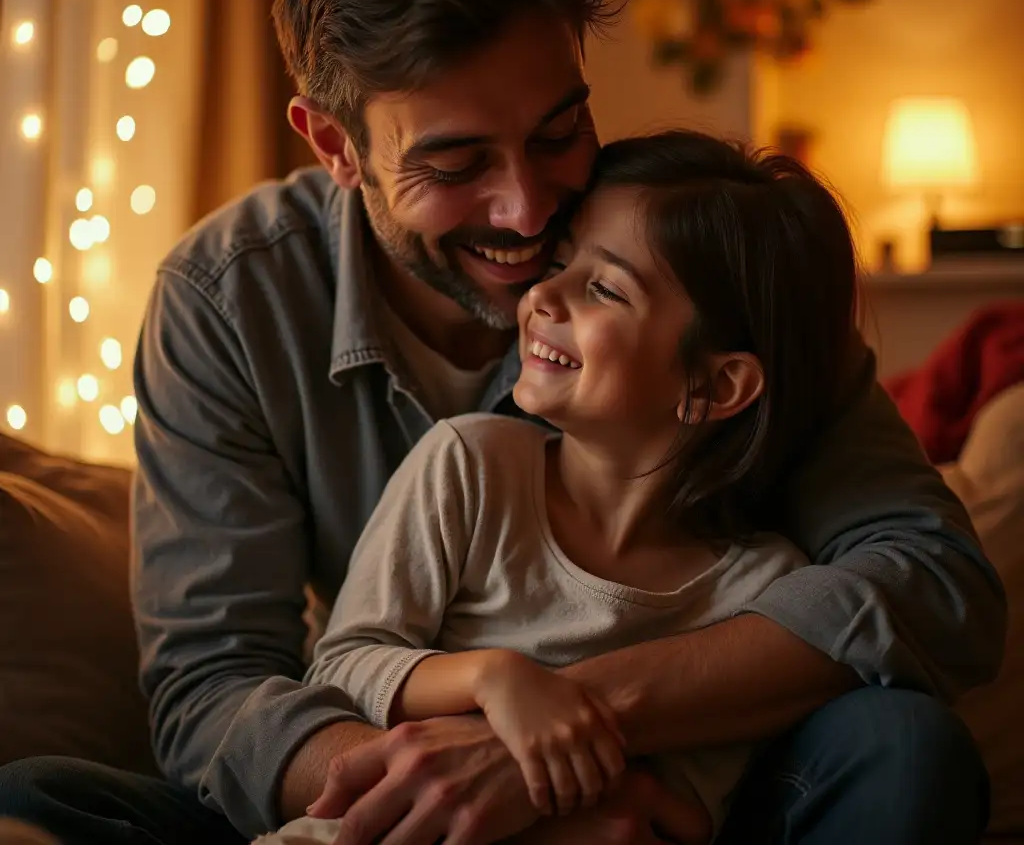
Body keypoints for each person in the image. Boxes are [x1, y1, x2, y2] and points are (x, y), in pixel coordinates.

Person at [0, 0, 1004, 845]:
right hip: (384, 783)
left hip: (656, 790)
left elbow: (934, 582)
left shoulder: (717, 274)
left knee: (900, 747)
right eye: (457, 162)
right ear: (334, 144)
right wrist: (447, 784)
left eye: (559, 131)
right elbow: (215, 691)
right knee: (40, 797)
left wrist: (568, 744)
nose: (529, 214)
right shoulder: (228, 303)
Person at [255, 131, 859, 845]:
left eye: (603, 288)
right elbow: (344, 666)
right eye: (564, 261)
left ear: (715, 384)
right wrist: (495, 680)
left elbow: (682, 816)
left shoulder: (762, 595)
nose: (543, 293)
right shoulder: (469, 465)